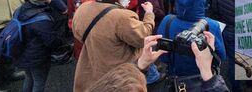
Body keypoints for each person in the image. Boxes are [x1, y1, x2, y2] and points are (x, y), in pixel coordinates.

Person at [72, 0, 155, 92]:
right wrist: (149, 14)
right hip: (117, 76)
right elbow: (143, 38)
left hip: (90, 70)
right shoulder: (121, 16)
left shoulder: (83, 8)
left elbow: (78, 34)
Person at [86, 34, 229, 92]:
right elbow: (222, 54)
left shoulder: (168, 20)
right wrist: (207, 72)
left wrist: (140, 65)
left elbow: (121, 85)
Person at [157, 0, 226, 77]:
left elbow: (163, 56)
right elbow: (221, 56)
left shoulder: (167, 21)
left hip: (176, 77)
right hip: (203, 77)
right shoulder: (211, 25)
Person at [15, 0, 66, 92]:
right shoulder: (41, 18)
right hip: (37, 56)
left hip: (22, 51)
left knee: (29, 78)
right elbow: (51, 41)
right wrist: (62, 43)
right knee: (39, 82)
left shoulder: (22, 9)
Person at [209, 0, 238, 91]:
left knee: (233, 61)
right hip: (248, 29)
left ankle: (236, 89)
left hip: (228, 29)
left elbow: (215, 10)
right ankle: (250, 84)